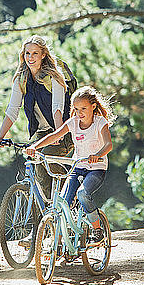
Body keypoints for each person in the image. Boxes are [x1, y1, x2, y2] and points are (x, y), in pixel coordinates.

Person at [26, 86, 115, 242]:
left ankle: (97, 229)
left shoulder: (100, 122)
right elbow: (54, 135)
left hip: (96, 169)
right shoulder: (73, 122)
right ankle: (60, 242)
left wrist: (97, 155)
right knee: (62, 202)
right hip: (77, 167)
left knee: (82, 194)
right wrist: (35, 146)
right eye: (76, 109)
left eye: (83, 108)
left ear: (93, 107)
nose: (79, 112)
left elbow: (108, 144)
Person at [0, 35, 74, 200]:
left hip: (64, 130)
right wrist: (0, 136)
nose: (30, 57)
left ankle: (68, 199)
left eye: (35, 53)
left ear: (43, 55)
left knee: (47, 158)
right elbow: (12, 110)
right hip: (42, 133)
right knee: (37, 166)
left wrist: (58, 134)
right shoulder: (21, 79)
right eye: (27, 53)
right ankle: (51, 211)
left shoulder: (54, 76)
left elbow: (58, 107)